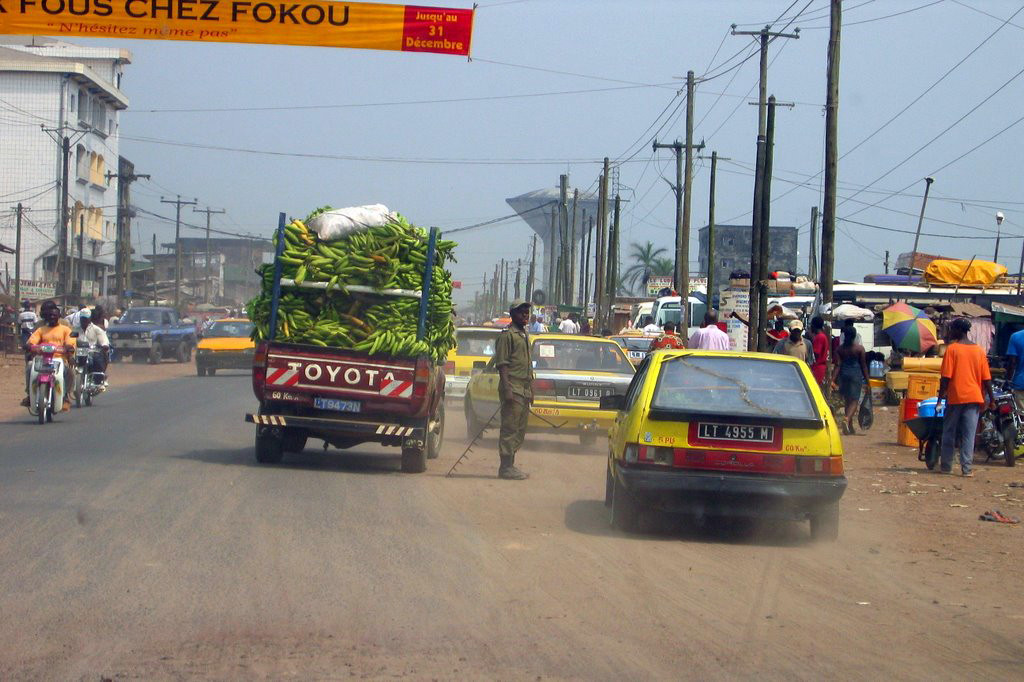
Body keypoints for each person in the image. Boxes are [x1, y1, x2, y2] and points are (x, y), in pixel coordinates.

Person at [937, 318, 995, 477]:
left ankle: (947, 466)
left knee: (949, 432)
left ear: (958, 330)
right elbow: (986, 379)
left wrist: (940, 399)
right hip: (974, 398)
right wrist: (992, 399)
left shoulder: (952, 349)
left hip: (956, 397)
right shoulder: (979, 351)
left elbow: (946, 377)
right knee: (968, 435)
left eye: (951, 329)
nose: (950, 332)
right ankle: (967, 469)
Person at [493, 300, 534, 480]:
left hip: (524, 389)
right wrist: (507, 388)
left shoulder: (524, 335)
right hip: (512, 387)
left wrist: (531, 389)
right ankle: (505, 467)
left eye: (527, 312)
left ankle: (511, 464)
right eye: (521, 312)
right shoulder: (507, 335)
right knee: (509, 428)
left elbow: (529, 366)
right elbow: (502, 364)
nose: (525, 315)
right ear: (512, 314)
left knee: (520, 428)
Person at [22, 300, 75, 411]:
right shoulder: (40, 328)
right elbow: (32, 341)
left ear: (58, 315)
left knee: (69, 373)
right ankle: (30, 394)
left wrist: (68, 350)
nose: (51, 317)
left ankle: (65, 396)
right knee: (29, 367)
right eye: (48, 314)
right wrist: (30, 347)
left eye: (53, 315)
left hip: (60, 357)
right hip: (41, 358)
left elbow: (71, 341)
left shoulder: (65, 326)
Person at [831, 326, 869, 435]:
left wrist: (832, 380)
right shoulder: (859, 349)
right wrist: (868, 380)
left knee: (848, 400)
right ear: (854, 336)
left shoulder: (839, 349)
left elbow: (837, 365)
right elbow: (864, 366)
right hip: (855, 375)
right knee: (854, 400)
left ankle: (850, 427)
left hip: (843, 375)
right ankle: (846, 419)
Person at [76, 308, 110, 386]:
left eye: (86, 318)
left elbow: (103, 340)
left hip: (92, 352)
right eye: (82, 318)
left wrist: (104, 345)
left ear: (90, 318)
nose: (84, 321)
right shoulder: (76, 329)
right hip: (78, 353)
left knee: (98, 361)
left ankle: (100, 379)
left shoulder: (96, 329)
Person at [1004, 323, 1024, 409]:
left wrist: (1008, 380)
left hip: (1020, 382)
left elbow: (1012, 362)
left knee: (1021, 416)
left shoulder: (1016, 336)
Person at [809, 316, 830, 387]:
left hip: (817, 368)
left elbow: (815, 355)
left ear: (813, 326)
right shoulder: (822, 336)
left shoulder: (819, 337)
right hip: (820, 367)